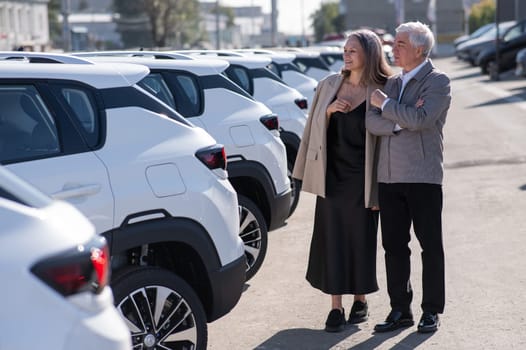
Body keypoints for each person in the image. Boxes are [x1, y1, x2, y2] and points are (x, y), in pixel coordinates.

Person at [292, 29, 392, 333]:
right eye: (345, 50)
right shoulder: (329, 86)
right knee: (331, 239)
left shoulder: (382, 88)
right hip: (331, 177)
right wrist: (329, 112)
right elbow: (311, 129)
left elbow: (391, 135)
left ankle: (360, 299)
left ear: (369, 55)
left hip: (362, 179)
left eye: (352, 51)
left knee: (361, 240)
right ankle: (335, 308)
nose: (345, 55)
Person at [366, 21, 451, 333]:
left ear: (419, 49)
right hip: (388, 178)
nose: (393, 49)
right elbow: (371, 122)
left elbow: (423, 119)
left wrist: (387, 107)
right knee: (394, 247)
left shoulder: (438, 81)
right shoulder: (392, 83)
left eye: (400, 44)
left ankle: (432, 310)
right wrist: (399, 120)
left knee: (430, 246)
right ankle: (400, 310)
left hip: (423, 178)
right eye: (395, 43)